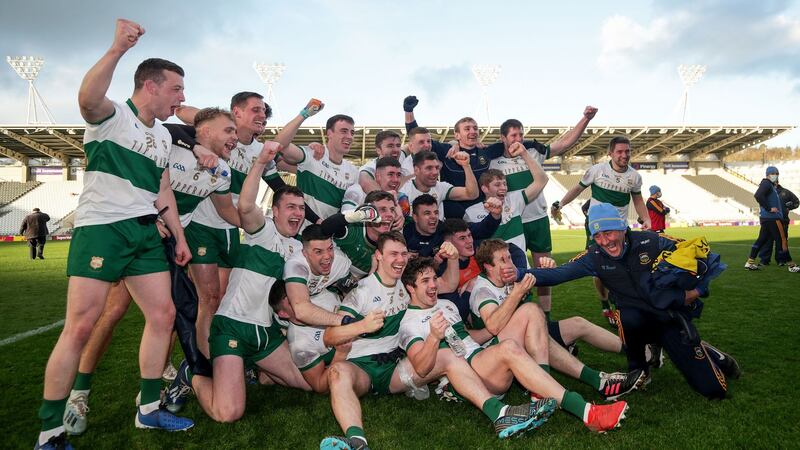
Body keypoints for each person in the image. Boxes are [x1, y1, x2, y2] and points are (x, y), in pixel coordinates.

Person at [34, 19, 198, 449]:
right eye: (176, 88)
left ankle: (147, 410)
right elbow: (87, 98)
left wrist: (178, 238)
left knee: (162, 317)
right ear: (151, 85)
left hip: (146, 232)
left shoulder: (163, 136)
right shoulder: (112, 115)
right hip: (102, 230)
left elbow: (163, 190)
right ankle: (50, 430)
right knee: (81, 327)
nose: (182, 97)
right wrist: (116, 49)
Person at [60, 108, 239, 435]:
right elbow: (164, 129)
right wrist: (194, 145)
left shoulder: (223, 172)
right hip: (139, 230)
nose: (235, 137)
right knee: (112, 311)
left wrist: (270, 227)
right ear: (205, 130)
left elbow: (229, 211)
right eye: (228, 130)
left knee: (167, 316)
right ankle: (79, 394)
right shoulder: (170, 143)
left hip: (170, 243)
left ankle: (149, 398)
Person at [319, 232, 543, 449]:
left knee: (446, 355)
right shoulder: (362, 291)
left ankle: (500, 414)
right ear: (378, 256)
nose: (399, 260)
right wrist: (361, 326)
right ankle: (357, 443)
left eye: (403, 254)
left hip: (396, 367)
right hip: (362, 366)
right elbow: (330, 336)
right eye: (393, 254)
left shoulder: (408, 286)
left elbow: (446, 283)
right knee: (337, 371)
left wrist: (454, 259)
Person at [523, 202, 741, 399]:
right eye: (597, 236)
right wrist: (515, 273)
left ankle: (709, 352)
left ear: (622, 228)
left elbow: (701, 256)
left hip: (669, 318)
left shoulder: (651, 241)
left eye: (608, 233)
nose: (604, 241)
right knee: (627, 316)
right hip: (635, 322)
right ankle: (639, 370)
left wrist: (697, 291)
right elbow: (557, 275)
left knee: (714, 390)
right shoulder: (594, 257)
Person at [165, 144, 316, 422]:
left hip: (266, 333)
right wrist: (260, 162)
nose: (297, 213)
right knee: (228, 413)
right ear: (275, 211)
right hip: (233, 328)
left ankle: (255, 368)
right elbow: (244, 205)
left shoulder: (297, 248)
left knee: (310, 383)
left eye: (301, 208)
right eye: (291, 207)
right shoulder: (262, 229)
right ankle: (193, 374)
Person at [400, 257, 630, 434]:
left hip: (481, 359)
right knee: (510, 346)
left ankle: (541, 391)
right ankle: (587, 412)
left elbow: (467, 337)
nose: (433, 285)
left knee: (530, 311)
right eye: (425, 281)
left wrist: (492, 333)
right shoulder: (409, 322)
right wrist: (432, 337)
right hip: (470, 377)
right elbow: (421, 367)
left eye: (433, 279)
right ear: (410, 288)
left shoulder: (446, 304)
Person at [177, 96, 325, 356]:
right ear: (236, 112)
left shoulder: (259, 151)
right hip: (201, 225)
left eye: (265, 114)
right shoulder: (222, 134)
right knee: (206, 299)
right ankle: (201, 365)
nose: (262, 117)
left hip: (232, 229)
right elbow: (181, 113)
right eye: (255, 110)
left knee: (221, 299)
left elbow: (279, 187)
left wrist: (317, 220)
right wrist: (208, 128)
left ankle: (223, 354)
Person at [468, 239, 646, 401]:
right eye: (503, 260)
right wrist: (517, 293)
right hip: (497, 355)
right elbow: (493, 326)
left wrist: (547, 270)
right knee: (533, 313)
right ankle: (575, 384)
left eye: (510, 258)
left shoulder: (509, 277)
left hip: (521, 338)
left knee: (576, 323)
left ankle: (637, 356)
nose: (510, 264)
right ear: (488, 267)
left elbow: (540, 282)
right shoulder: (483, 290)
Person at [490, 110, 597, 319]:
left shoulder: (534, 152)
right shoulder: (494, 162)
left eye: (520, 135)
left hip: (537, 220)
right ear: (503, 138)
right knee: (509, 270)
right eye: (513, 135)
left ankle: (546, 318)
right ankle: (513, 315)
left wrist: (586, 119)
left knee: (544, 270)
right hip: (511, 223)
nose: (518, 139)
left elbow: (565, 143)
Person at [551, 135, 650, 325]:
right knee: (600, 269)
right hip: (596, 227)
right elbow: (578, 189)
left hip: (620, 227)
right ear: (610, 153)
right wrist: (560, 203)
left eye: (627, 151)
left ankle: (622, 302)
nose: (624, 155)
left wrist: (645, 218)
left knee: (625, 265)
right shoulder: (597, 170)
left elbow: (638, 200)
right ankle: (606, 303)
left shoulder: (634, 177)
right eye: (620, 151)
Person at [464, 142, 549, 263]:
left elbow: (542, 180)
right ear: (484, 188)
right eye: (497, 184)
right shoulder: (471, 212)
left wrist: (524, 153)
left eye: (505, 184)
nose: (503, 188)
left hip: (520, 266)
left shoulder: (515, 200)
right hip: (494, 272)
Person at [277, 113, 359, 220]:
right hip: (301, 233)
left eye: (352, 133)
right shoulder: (312, 154)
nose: (349, 136)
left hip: (329, 235)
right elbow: (279, 145)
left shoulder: (353, 172)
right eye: (344, 131)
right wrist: (304, 113)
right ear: (329, 133)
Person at [746, 166, 800, 272]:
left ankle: (749, 263)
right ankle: (791, 265)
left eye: (777, 173)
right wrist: (769, 208)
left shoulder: (768, 184)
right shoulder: (766, 183)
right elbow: (758, 195)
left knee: (761, 240)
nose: (776, 175)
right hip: (772, 218)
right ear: (768, 174)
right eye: (774, 173)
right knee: (782, 240)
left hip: (767, 218)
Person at [399, 150, 478, 220]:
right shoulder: (404, 193)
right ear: (416, 170)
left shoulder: (440, 187)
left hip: (439, 233)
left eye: (437, 168)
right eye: (429, 168)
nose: (435, 172)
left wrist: (466, 166)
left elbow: (471, 194)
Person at [758, 180, 799, 265]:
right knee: (767, 240)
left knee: (781, 241)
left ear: (777, 182)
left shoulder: (786, 192)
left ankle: (781, 260)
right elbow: (761, 201)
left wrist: (788, 208)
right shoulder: (766, 192)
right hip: (769, 220)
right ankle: (764, 260)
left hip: (782, 220)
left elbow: (796, 202)